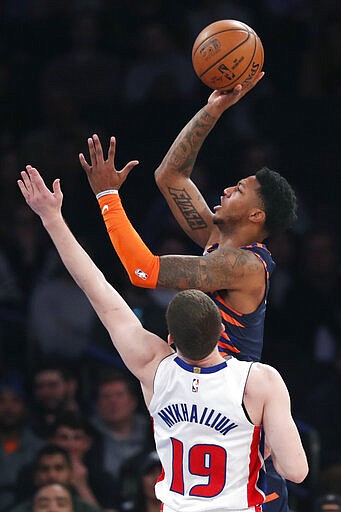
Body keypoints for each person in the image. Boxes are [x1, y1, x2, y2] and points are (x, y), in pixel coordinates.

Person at [17, 165, 308, 512]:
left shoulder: (153, 366)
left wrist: (51, 217)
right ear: (222, 328)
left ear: (169, 335)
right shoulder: (258, 382)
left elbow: (94, 285)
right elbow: (295, 471)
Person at [78, 80, 297, 511]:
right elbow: (170, 176)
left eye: (239, 189)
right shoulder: (219, 236)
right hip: (199, 395)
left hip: (236, 407)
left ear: (256, 215)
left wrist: (107, 196)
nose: (227, 189)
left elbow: (144, 270)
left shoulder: (245, 265)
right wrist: (213, 109)